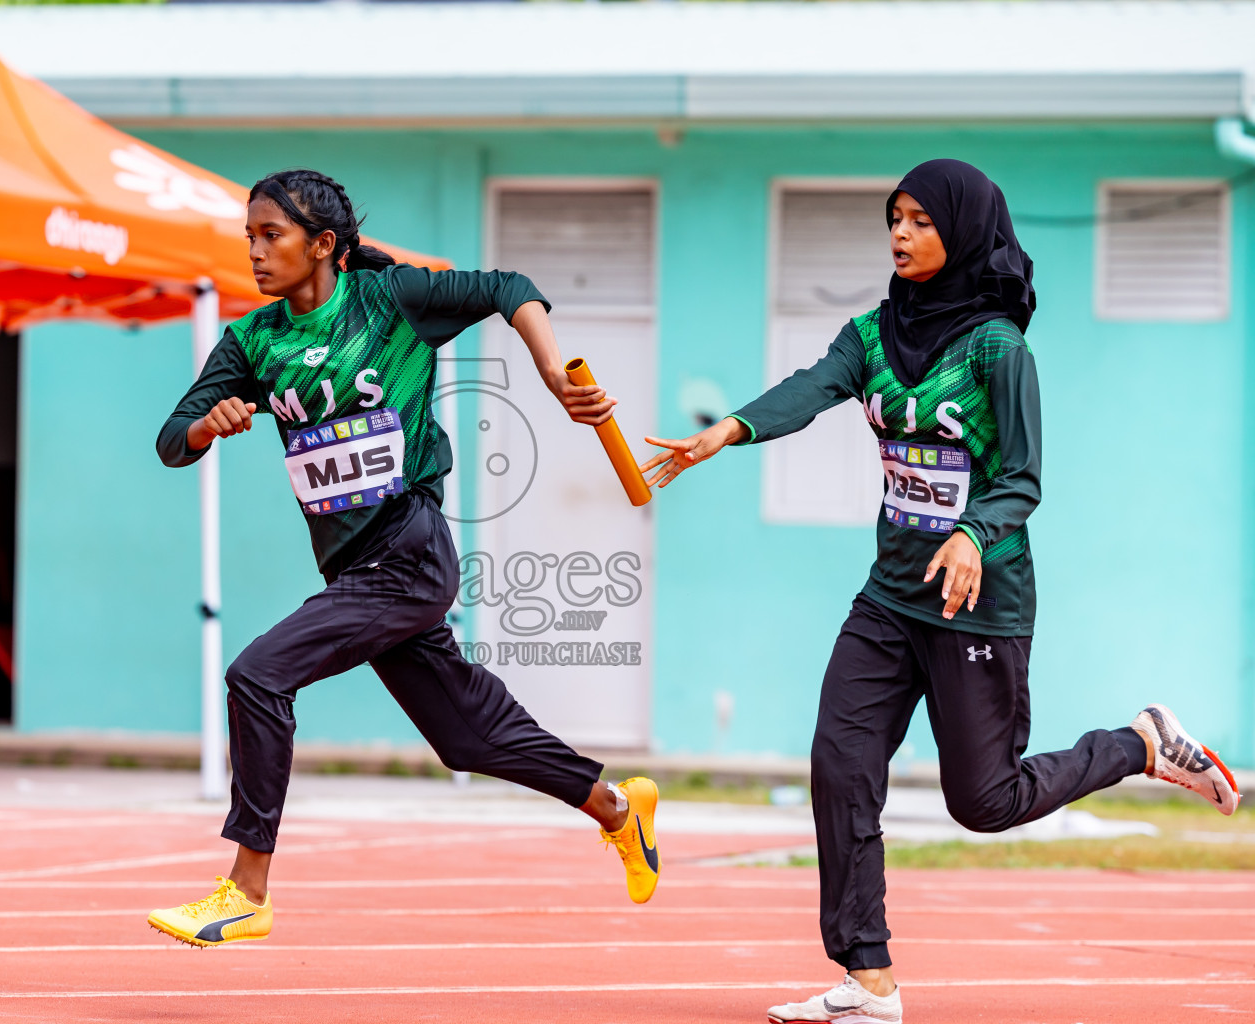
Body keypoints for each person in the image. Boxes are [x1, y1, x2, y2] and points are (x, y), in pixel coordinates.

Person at [639, 159, 1240, 1023]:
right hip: (889, 598)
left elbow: (1024, 481)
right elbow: (814, 388)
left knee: (985, 802)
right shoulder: (873, 334)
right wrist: (729, 431)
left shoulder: (999, 347)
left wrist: (971, 534)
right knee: (840, 766)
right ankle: (868, 978)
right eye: (896, 216)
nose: (901, 233)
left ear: (961, 230)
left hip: (978, 604)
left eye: (922, 220)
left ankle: (1139, 745)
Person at [147, 169, 661, 947]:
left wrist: (551, 371)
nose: (254, 252)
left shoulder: (391, 305)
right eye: (248, 237)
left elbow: (508, 285)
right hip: (355, 572)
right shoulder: (252, 341)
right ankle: (618, 807)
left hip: (409, 554)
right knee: (467, 738)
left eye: (271, 236)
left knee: (258, 674)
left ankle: (246, 889)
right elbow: (169, 442)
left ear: (323, 246)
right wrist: (205, 425)